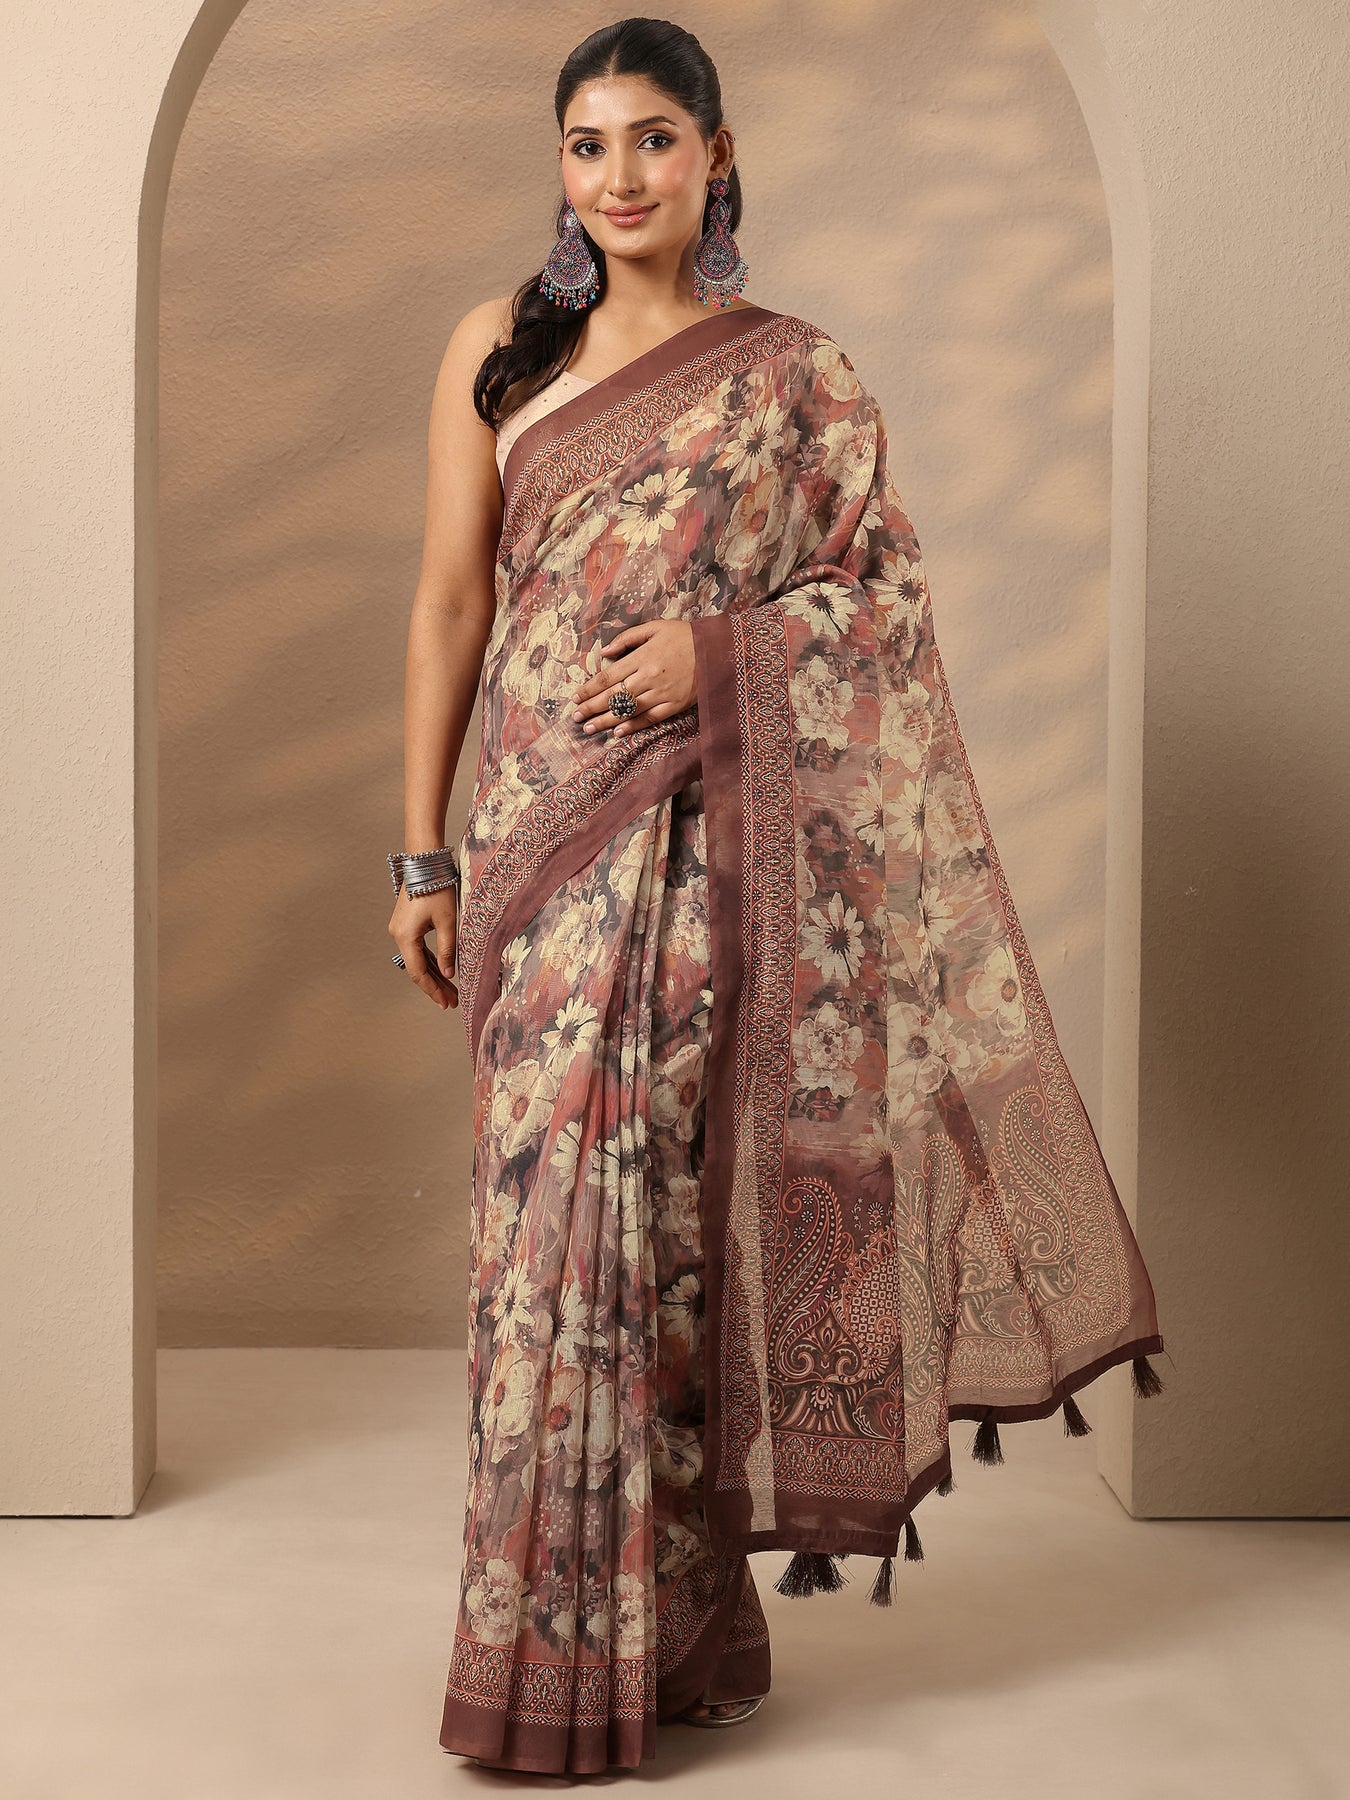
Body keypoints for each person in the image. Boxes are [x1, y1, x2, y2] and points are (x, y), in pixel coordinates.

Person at [386, 16, 1167, 1778]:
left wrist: (717, 652)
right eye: (587, 146)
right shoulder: (498, 352)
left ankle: (681, 1639)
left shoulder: (795, 376)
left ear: (716, 155)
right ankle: (533, 1649)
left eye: (653, 139)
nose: (619, 177)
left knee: (664, 1247)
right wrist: (421, 852)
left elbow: (880, 602)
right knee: (540, 1257)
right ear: (560, 169)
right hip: (534, 857)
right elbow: (447, 605)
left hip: (702, 867)